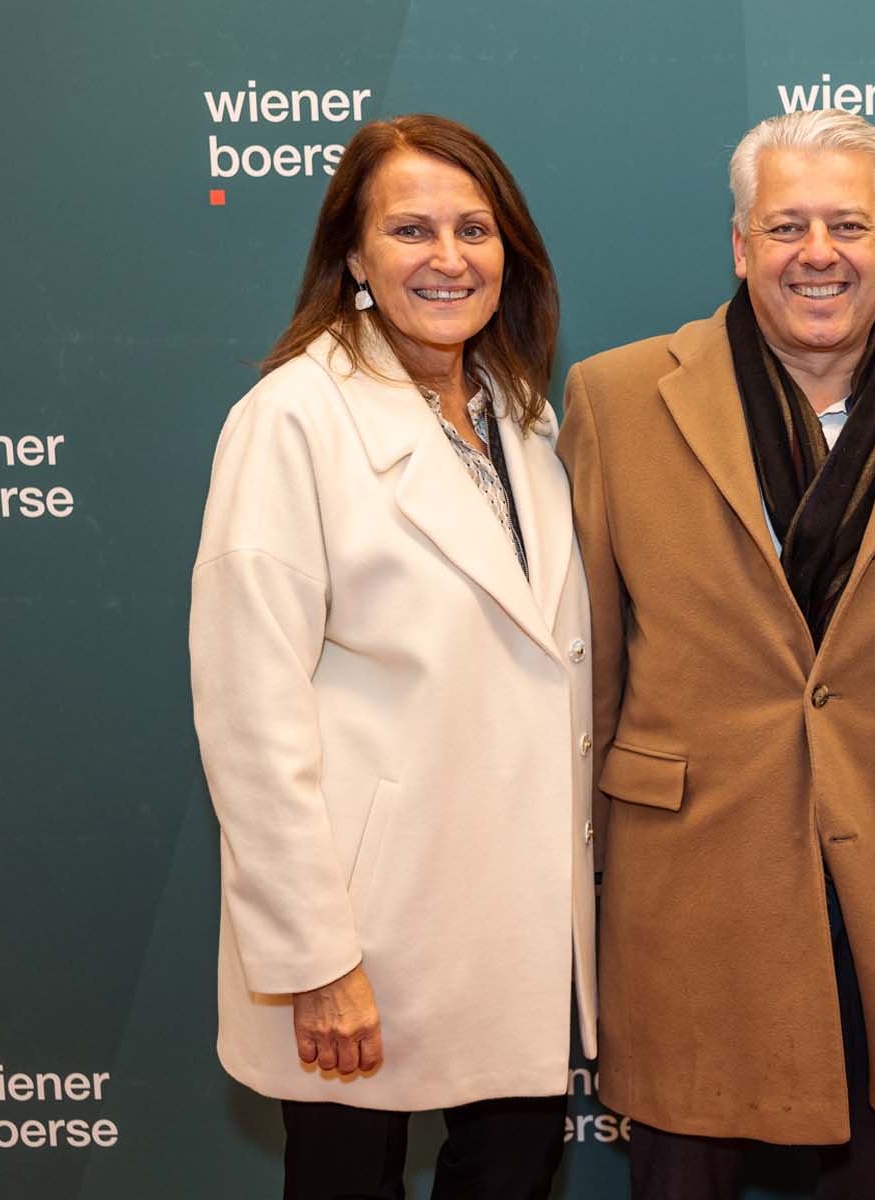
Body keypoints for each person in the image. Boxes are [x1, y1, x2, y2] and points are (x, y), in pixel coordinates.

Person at [557, 108, 875, 1200]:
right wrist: (584, 868)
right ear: (739, 245)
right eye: (785, 226)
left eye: (848, 226)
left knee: (870, 1173)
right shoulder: (617, 399)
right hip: (683, 876)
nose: (819, 254)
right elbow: (589, 668)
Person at [188, 114, 596, 1199]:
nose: (448, 258)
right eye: (410, 230)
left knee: (511, 1173)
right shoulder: (291, 418)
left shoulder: (521, 419)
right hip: (365, 932)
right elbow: (250, 715)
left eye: (475, 229)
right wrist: (315, 960)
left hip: (512, 927)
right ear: (355, 258)